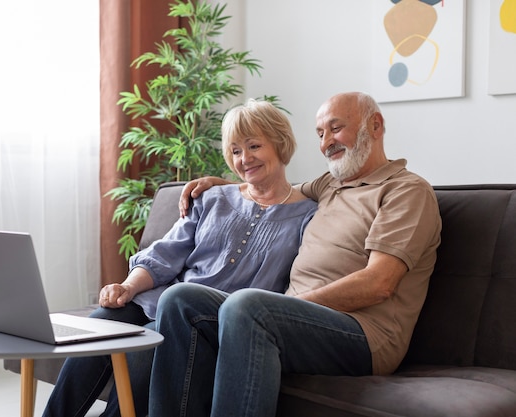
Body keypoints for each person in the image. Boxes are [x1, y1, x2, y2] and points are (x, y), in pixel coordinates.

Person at [148, 91, 442, 417]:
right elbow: (270, 189)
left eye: (336, 128)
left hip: (364, 334)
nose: (326, 142)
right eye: (320, 133)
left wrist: (291, 306)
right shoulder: (330, 184)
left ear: (375, 125)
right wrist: (222, 185)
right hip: (294, 318)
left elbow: (379, 283)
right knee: (180, 299)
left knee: (247, 305)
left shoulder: (406, 190)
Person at [41, 99, 318, 417]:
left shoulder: (308, 216)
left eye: (254, 146)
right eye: (236, 151)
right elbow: (165, 253)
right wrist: (128, 287)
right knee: (100, 326)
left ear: (280, 144)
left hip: (210, 321)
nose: (244, 159)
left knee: (144, 354)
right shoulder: (212, 198)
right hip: (157, 301)